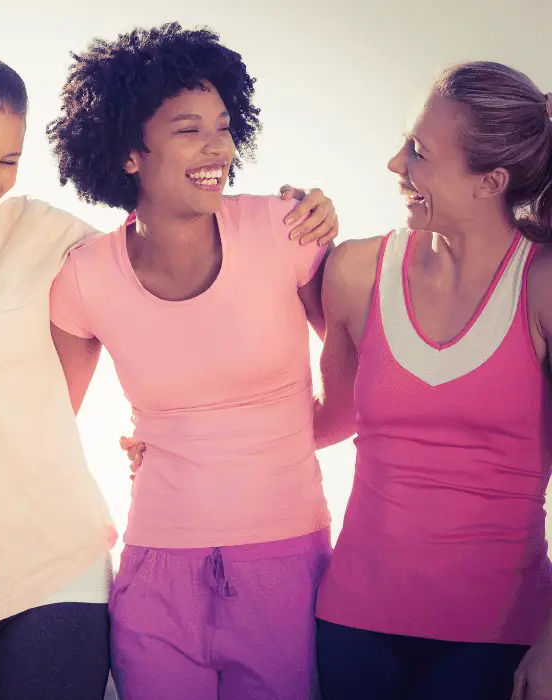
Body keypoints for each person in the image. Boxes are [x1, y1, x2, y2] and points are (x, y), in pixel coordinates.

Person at [0, 51, 336, 700]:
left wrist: (296, 212)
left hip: (58, 568)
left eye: (8, 161)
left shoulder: (43, 234)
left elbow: (159, 262)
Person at [46, 24, 333, 699]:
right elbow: (44, 420)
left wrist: (262, 443)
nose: (217, 148)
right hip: (155, 573)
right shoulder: (85, 278)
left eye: (224, 126)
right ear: (128, 154)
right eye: (187, 129)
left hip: (284, 561)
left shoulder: (284, 230)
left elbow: (361, 385)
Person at [309, 62, 552, 700]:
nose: (396, 164)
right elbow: (326, 420)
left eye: (419, 152)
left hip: (495, 633)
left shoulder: (542, 286)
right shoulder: (356, 271)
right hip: (353, 623)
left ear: (490, 182)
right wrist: (183, 434)